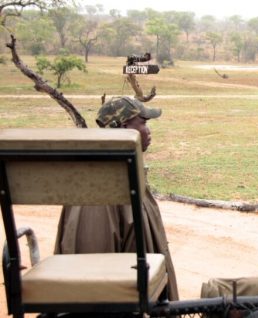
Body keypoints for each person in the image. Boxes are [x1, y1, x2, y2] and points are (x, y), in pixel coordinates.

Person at [54, 96, 179, 300]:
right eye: (144, 123)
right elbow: (93, 270)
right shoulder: (100, 188)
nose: (149, 131)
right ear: (125, 126)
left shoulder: (125, 173)